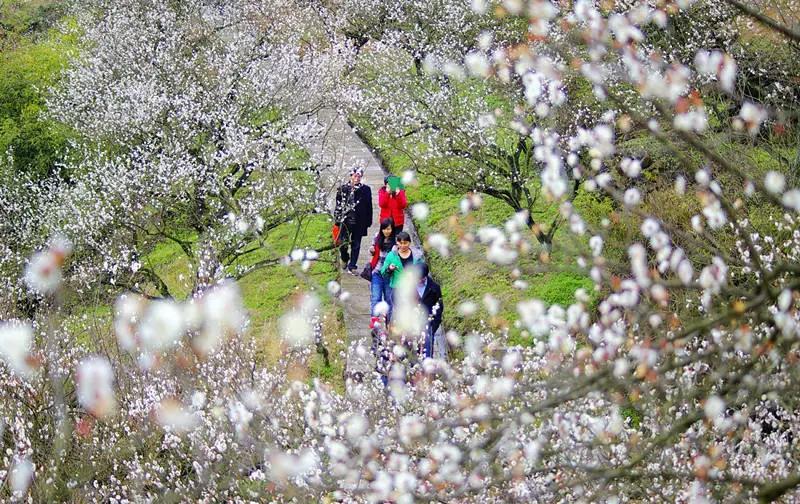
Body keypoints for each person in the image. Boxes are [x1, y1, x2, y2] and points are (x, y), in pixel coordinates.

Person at [334, 167, 372, 274]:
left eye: (359, 176)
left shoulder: (365, 189)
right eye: (355, 176)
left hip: (359, 221)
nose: (357, 178)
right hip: (345, 221)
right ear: (351, 176)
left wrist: (369, 220)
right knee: (343, 243)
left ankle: (353, 265)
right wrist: (337, 219)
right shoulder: (343, 189)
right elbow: (338, 206)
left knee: (356, 244)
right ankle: (345, 257)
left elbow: (369, 206)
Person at [414, 262, 443, 359]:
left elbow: (439, 307)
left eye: (420, 279)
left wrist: (434, 326)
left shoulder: (434, 288)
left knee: (428, 353)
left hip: (428, 324)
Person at [369, 218, 396, 317]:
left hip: (389, 274)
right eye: (384, 229)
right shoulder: (377, 237)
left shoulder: (396, 243)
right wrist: (371, 250)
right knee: (376, 298)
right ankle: (374, 322)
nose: (386, 231)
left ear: (392, 229)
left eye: (389, 229)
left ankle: (389, 323)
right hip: (377, 272)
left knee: (389, 299)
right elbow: (372, 249)